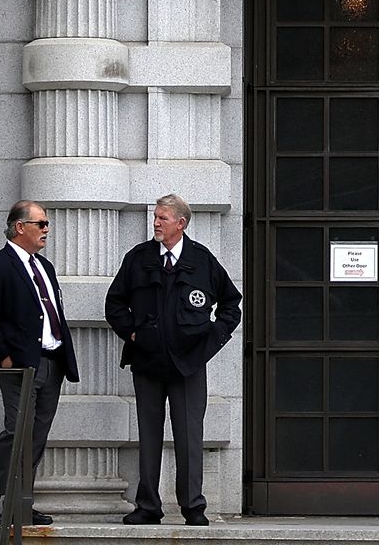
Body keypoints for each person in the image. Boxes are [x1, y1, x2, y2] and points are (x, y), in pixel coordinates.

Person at [105, 194, 242, 525]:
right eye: (156, 217)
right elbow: (114, 304)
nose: (156, 223)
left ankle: (193, 507)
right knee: (149, 437)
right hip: (148, 363)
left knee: (189, 437)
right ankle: (148, 506)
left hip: (188, 365)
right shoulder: (139, 259)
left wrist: (210, 342)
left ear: (181, 223)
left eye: (162, 218)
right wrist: (134, 334)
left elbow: (230, 306)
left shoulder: (202, 260)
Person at [0, 200, 77, 526]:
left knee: (37, 436)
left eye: (46, 224)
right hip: (18, 364)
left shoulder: (45, 266)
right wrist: (2, 357)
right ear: (20, 227)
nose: (47, 229)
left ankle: (20, 503)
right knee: (18, 431)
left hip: (52, 361)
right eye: (41, 224)